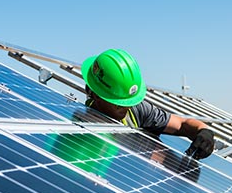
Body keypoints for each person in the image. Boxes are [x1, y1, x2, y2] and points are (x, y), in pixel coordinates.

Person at [82, 49, 215, 160]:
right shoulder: (83, 132)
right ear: (94, 93)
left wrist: (204, 132)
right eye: (118, 103)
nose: (126, 107)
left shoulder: (136, 110)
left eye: (129, 101)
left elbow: (181, 124)